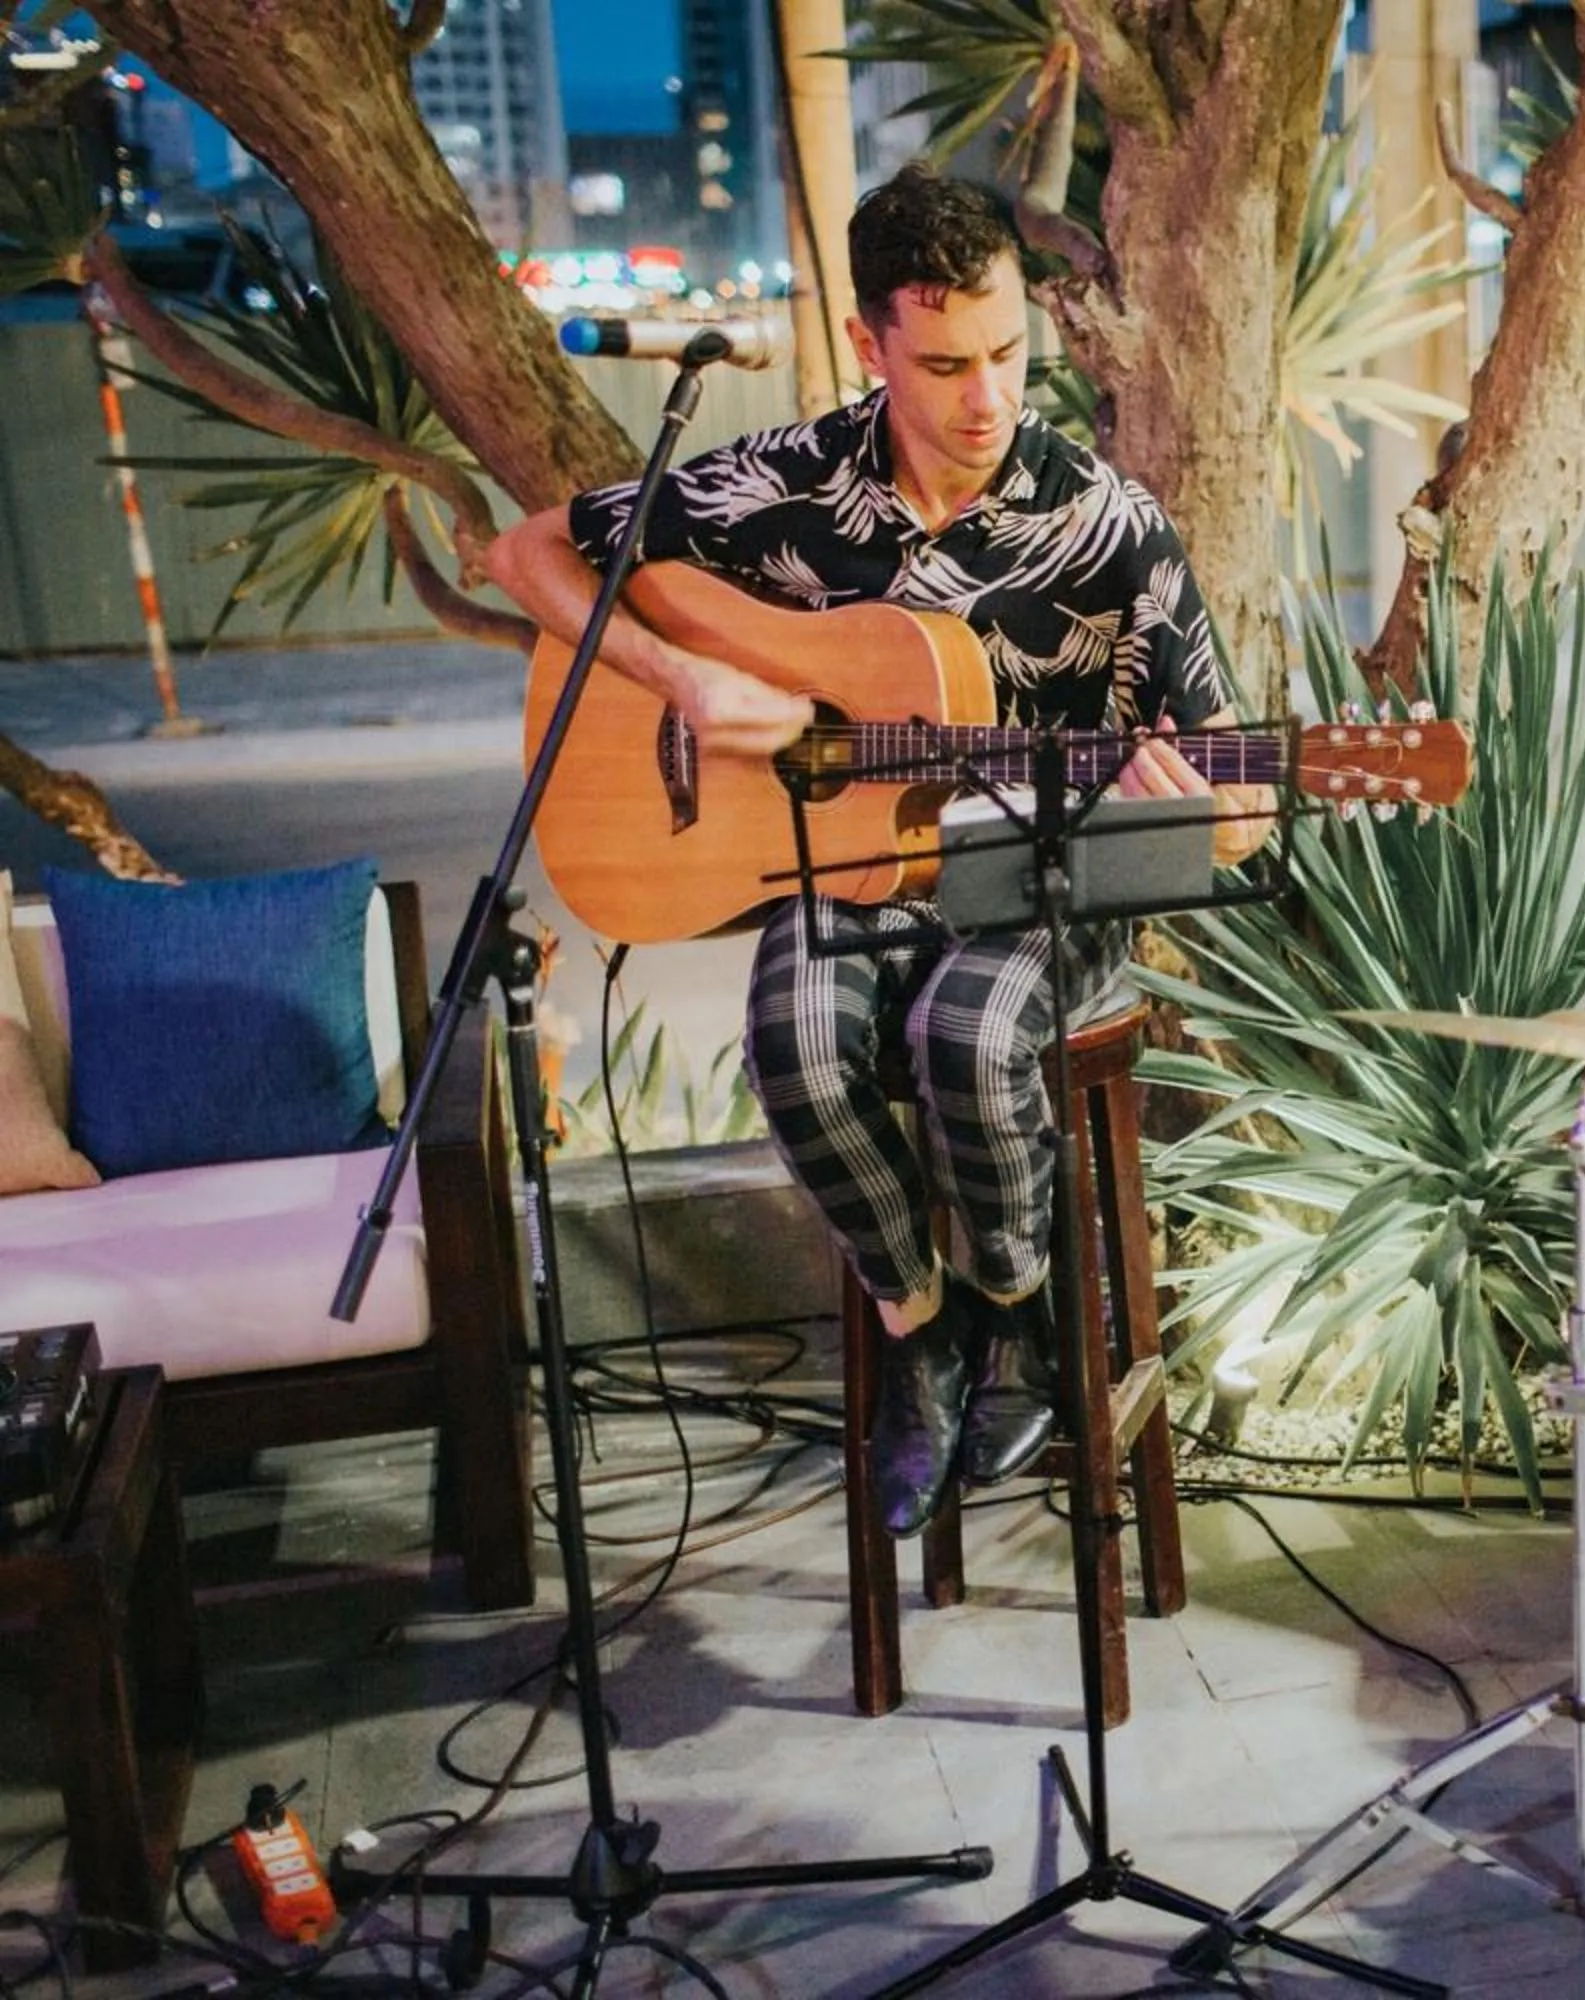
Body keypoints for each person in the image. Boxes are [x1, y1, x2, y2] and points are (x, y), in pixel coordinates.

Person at [489, 164, 1272, 1536]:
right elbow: (527, 555)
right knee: (793, 1047)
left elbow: (1237, 792)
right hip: (846, 864)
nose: (987, 397)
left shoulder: (1110, 529)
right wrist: (681, 682)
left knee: (966, 1037)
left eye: (1009, 354)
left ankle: (1022, 1313)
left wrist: (1208, 805)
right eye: (946, 363)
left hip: (1042, 881)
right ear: (870, 344)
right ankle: (924, 1332)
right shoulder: (785, 484)